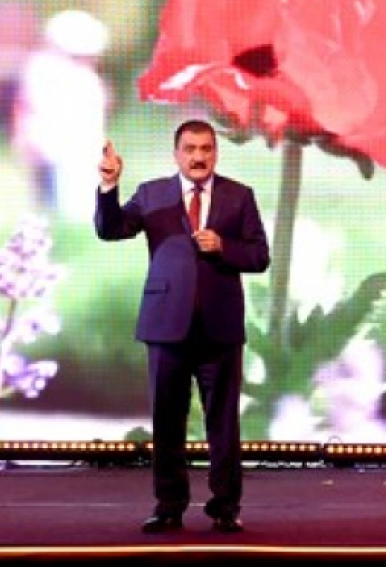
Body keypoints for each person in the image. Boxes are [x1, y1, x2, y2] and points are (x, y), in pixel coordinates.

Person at [94, 120, 271, 534]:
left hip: (219, 327)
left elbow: (259, 255)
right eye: (190, 149)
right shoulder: (152, 194)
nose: (198, 157)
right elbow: (110, 229)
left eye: (206, 148)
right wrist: (109, 186)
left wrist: (224, 247)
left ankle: (225, 507)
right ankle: (169, 505)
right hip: (165, 325)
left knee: (223, 424)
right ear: (176, 154)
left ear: (216, 153)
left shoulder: (239, 196)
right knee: (167, 420)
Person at [13, 9, 111, 223]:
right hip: (55, 150)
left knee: (74, 205)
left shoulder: (83, 78)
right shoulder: (45, 71)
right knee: (55, 204)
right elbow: (32, 111)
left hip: (77, 153)